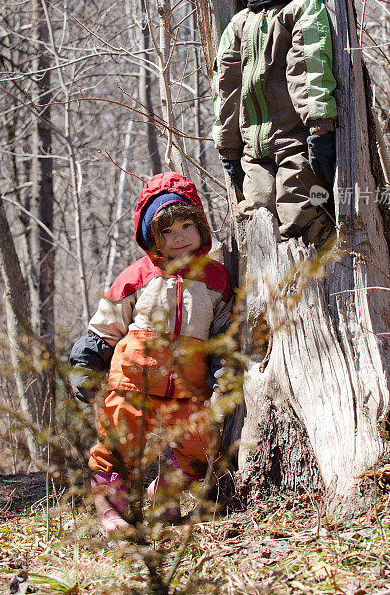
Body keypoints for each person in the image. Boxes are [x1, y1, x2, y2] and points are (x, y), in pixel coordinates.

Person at [70, 172, 232, 534]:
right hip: (131, 380)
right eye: (168, 231)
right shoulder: (136, 276)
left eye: (187, 225)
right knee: (117, 445)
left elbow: (223, 332)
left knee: (199, 444)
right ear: (152, 237)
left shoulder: (216, 278)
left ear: (201, 227)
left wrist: (222, 371)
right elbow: (105, 328)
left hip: (189, 385)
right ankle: (113, 510)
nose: (179, 237)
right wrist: (86, 365)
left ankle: (165, 499)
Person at [212, 0, 337, 245]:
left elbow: (308, 66)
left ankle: (322, 284)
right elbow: (227, 90)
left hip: (297, 143)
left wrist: (320, 125)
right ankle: (273, 295)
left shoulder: (300, 9)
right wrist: (228, 148)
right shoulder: (240, 24)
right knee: (259, 215)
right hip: (254, 151)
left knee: (302, 215)